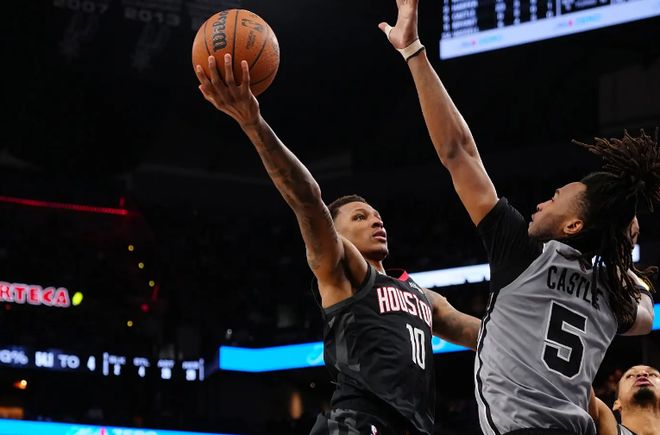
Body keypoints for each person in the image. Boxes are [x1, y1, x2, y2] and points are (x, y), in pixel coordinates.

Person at [379, 1, 658, 434]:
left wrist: (414, 51)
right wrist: (622, 246)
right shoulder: (612, 294)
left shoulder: (527, 254)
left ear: (573, 227)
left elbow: (458, 151)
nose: (543, 202)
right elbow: (644, 315)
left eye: (557, 198)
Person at [194, 55, 481, 434]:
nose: (376, 220)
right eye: (359, 217)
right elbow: (306, 199)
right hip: (359, 425)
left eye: (376, 215)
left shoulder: (423, 297)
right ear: (336, 234)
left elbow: (485, 335)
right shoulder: (345, 272)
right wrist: (253, 123)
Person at [589, 365, 660, 435]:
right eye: (630, 376)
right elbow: (584, 390)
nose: (642, 373)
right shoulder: (603, 417)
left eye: (653, 375)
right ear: (617, 403)